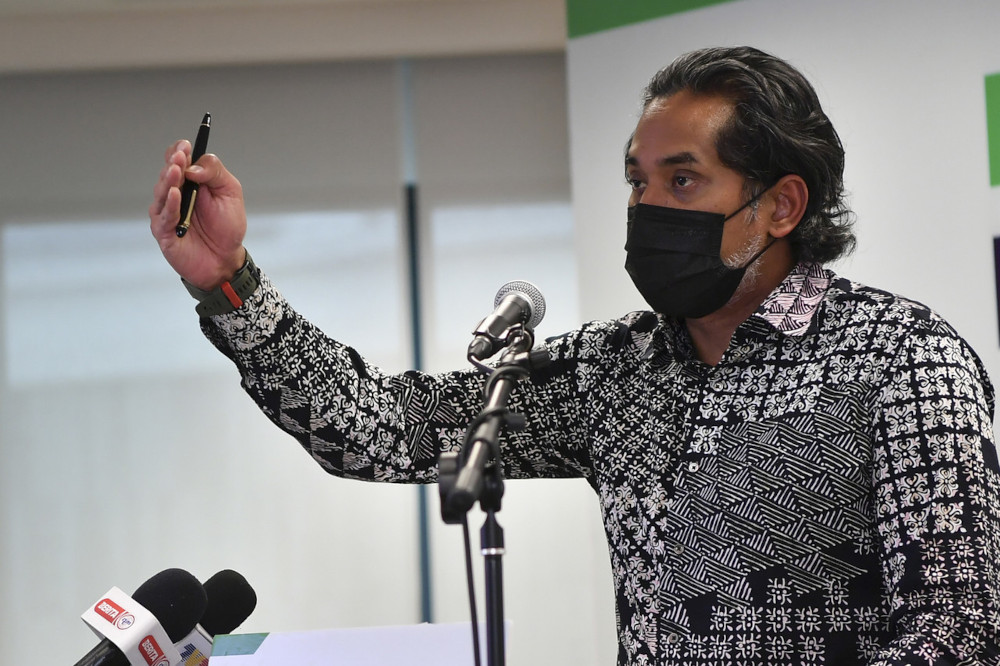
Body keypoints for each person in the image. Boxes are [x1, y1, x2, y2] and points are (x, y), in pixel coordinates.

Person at [149, 46, 1000, 665]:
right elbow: (383, 429)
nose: (647, 205)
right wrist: (229, 282)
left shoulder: (901, 360)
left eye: (683, 180)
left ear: (781, 205)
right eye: (637, 181)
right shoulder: (614, 371)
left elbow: (960, 629)